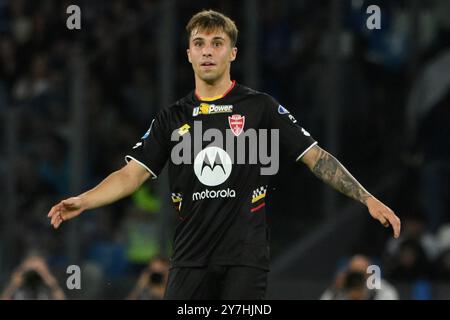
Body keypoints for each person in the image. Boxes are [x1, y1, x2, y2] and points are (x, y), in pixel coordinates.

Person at [47, 10, 401, 300]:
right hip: (189, 259)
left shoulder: (260, 107)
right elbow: (131, 174)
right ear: (187, 53)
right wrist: (85, 200)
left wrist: (366, 197)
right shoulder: (172, 117)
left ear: (232, 52)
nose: (207, 51)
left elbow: (315, 157)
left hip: (244, 259)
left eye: (217, 43)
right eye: (198, 43)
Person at [321, 254, 399, 300]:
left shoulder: (382, 290)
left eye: (360, 274)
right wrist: (335, 292)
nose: (356, 279)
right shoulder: (339, 289)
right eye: (354, 274)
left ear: (370, 274)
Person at [1, 253, 66, 300]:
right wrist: (13, 284)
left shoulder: (46, 286)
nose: (34, 273)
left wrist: (46, 276)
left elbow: (61, 298)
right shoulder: (19, 285)